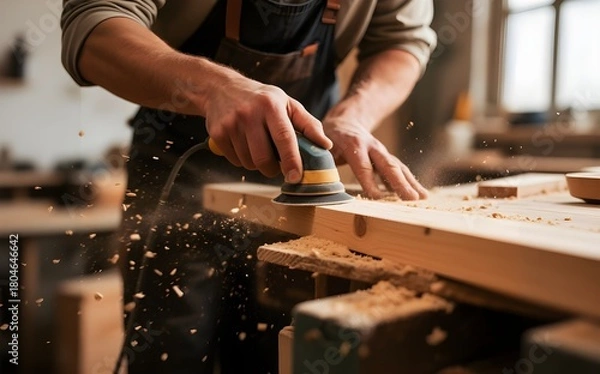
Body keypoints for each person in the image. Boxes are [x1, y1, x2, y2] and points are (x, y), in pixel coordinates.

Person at [61, 1, 437, 373]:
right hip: (180, 157)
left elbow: (402, 40)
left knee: (277, 347)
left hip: (302, 176)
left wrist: (355, 114)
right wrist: (214, 88)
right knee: (171, 347)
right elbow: (93, 26)